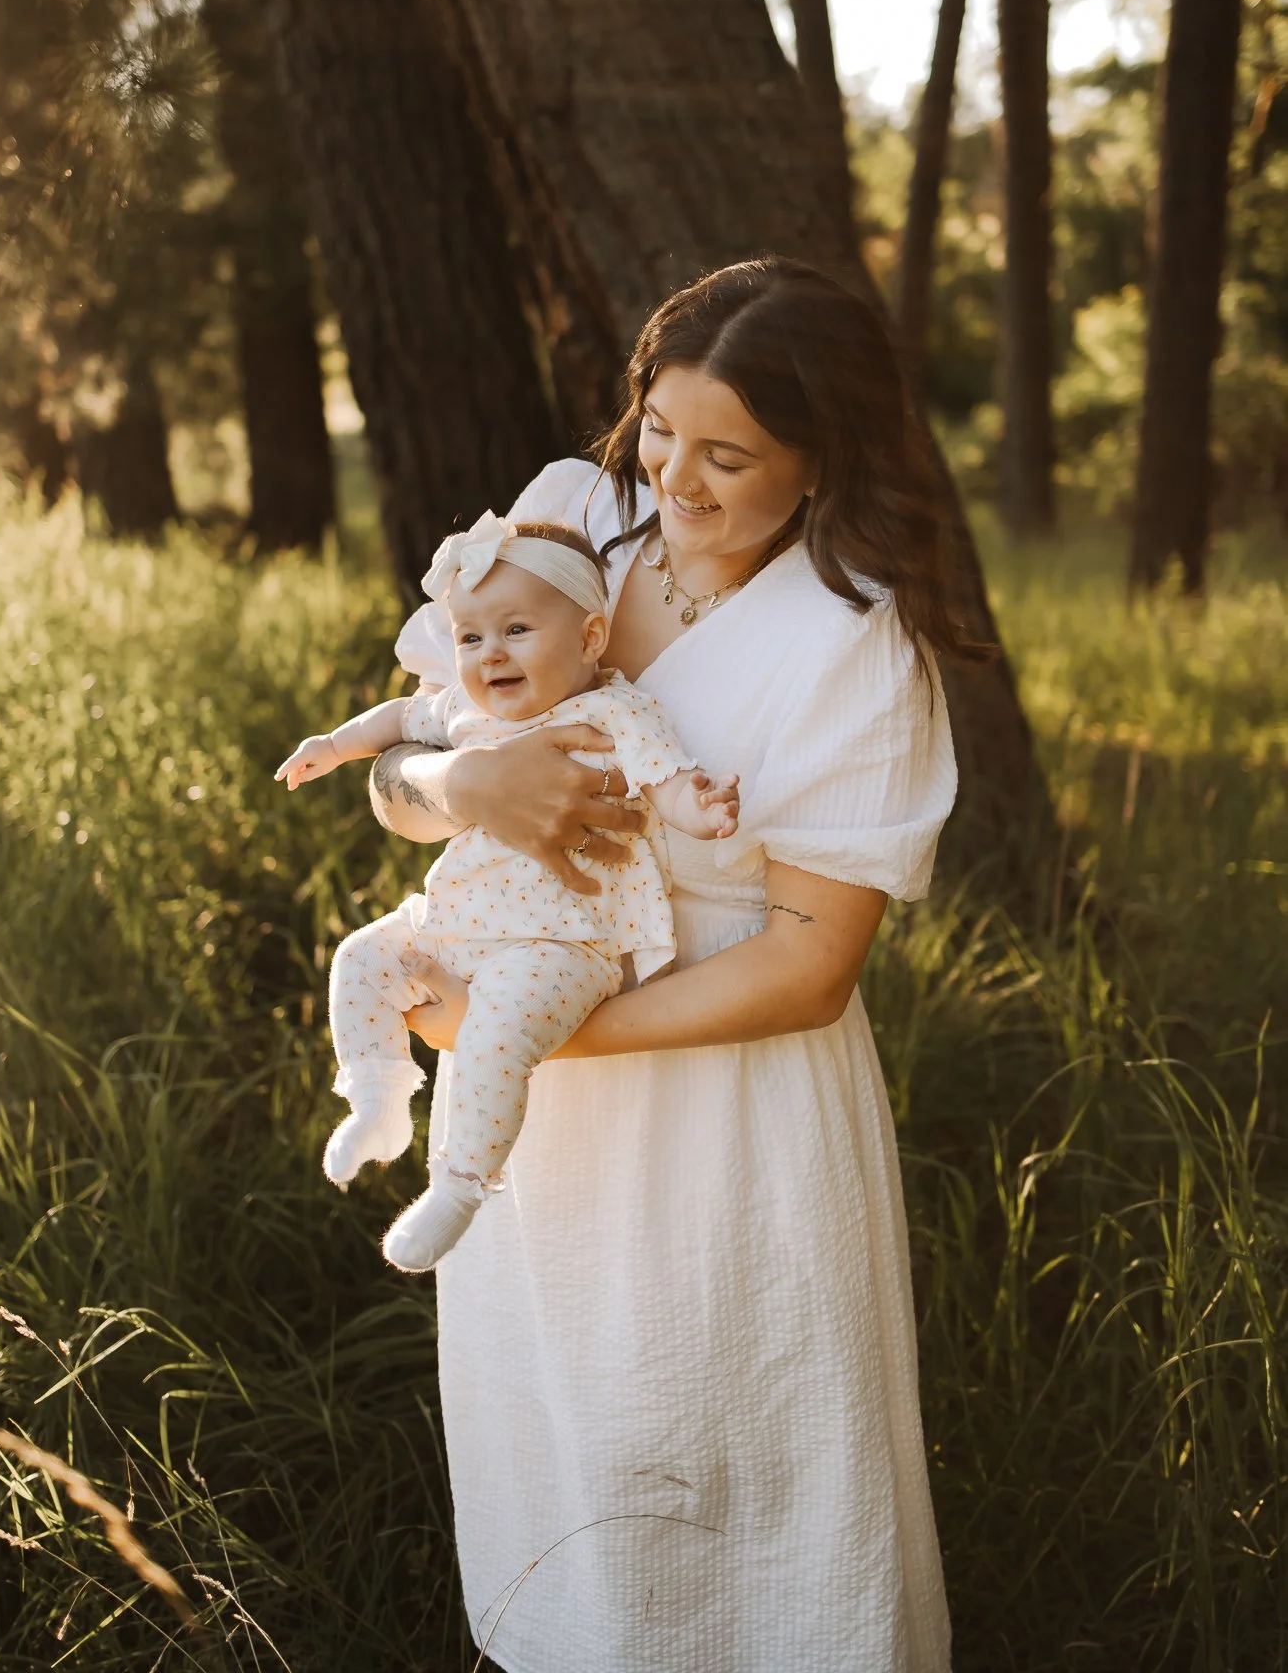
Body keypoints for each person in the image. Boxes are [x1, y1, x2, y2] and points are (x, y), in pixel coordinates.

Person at [374, 257, 961, 1672]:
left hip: (720, 1114)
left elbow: (811, 966)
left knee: (737, 1468)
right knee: (562, 1456)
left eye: (728, 455)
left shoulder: (851, 644)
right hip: (527, 1102)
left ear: (822, 461)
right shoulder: (568, 522)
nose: (674, 481)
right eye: (658, 428)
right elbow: (396, 760)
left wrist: (533, 1036)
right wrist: (466, 792)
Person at [274, 513, 739, 1271]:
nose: (490, 654)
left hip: (567, 941)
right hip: (458, 921)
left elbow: (668, 778)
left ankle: (459, 1183)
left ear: (590, 639)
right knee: (360, 959)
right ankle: (379, 1101)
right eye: (470, 638)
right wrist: (333, 745)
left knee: (496, 1032)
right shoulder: (465, 712)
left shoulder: (615, 711)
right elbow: (397, 718)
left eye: (517, 630)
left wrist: (704, 808)